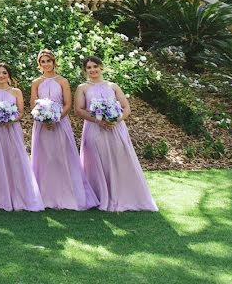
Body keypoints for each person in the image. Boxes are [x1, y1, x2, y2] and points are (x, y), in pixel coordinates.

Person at [75, 56, 158, 212]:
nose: (93, 70)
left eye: (95, 66)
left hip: (116, 128)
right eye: (89, 67)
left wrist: (116, 119)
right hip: (94, 128)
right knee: (98, 161)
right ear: (85, 70)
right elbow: (79, 110)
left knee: (118, 160)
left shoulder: (113, 86)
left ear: (101, 67)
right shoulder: (82, 88)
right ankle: (99, 195)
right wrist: (98, 121)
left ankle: (122, 195)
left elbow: (126, 108)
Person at [29, 49, 99, 210]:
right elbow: (33, 103)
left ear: (54, 62)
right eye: (42, 62)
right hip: (41, 124)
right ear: (39, 64)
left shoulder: (62, 81)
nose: (46, 64)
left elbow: (67, 103)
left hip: (60, 123)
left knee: (61, 156)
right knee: (45, 157)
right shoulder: (36, 82)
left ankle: (67, 193)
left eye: (48, 61)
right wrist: (42, 117)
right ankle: (45, 195)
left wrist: (55, 118)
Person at [0, 63, 43, 211]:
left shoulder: (16, 92)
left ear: (9, 75)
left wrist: (10, 119)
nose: (1, 75)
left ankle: (19, 195)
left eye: (4, 73)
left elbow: (21, 112)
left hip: (12, 128)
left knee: (15, 158)